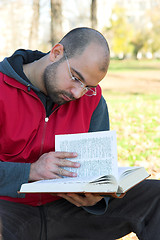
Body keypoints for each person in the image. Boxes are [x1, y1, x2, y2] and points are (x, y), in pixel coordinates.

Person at [0, 27, 160, 240]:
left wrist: (97, 199)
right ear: (56, 53)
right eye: (76, 78)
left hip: (67, 211)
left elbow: (100, 171)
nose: (78, 94)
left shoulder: (92, 100)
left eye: (88, 86)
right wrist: (30, 171)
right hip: (8, 210)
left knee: (156, 196)